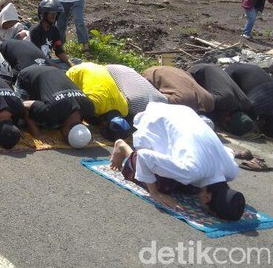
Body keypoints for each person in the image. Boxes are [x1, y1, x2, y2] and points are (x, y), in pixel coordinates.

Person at [109, 102, 246, 221]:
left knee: (191, 187)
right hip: (161, 119)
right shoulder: (191, 170)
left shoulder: (232, 171)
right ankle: (123, 148)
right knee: (163, 185)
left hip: (185, 113)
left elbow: (228, 151)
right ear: (207, 199)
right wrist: (155, 194)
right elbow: (145, 157)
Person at [16, 64, 95, 146]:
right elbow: (25, 105)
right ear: (65, 131)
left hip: (56, 70)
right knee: (21, 121)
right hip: (29, 73)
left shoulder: (90, 108)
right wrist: (37, 133)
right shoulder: (51, 111)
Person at [66, 62, 131, 140]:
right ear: (104, 123)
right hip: (77, 72)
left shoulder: (124, 110)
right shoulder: (95, 104)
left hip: (99, 68)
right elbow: (74, 110)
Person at [188, 63, 255, 136]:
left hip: (216, 68)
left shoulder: (247, 104)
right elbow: (200, 102)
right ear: (228, 119)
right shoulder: (222, 100)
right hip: (198, 71)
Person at [225, 63, 273, 137]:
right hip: (270, 87)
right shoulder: (251, 66)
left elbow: (229, 95)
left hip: (259, 94)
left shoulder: (227, 73)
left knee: (245, 118)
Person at [143, 66, 215, 114]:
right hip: (208, 99)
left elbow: (148, 93)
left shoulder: (147, 74)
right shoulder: (175, 71)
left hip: (181, 100)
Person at [30, 0, 72, 68]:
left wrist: (71, 64)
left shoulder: (55, 30)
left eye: (55, 13)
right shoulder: (35, 31)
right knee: (62, 69)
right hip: (37, 63)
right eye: (51, 13)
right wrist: (57, 67)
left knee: (77, 61)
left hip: (49, 61)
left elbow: (59, 51)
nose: (54, 16)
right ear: (44, 14)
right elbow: (37, 55)